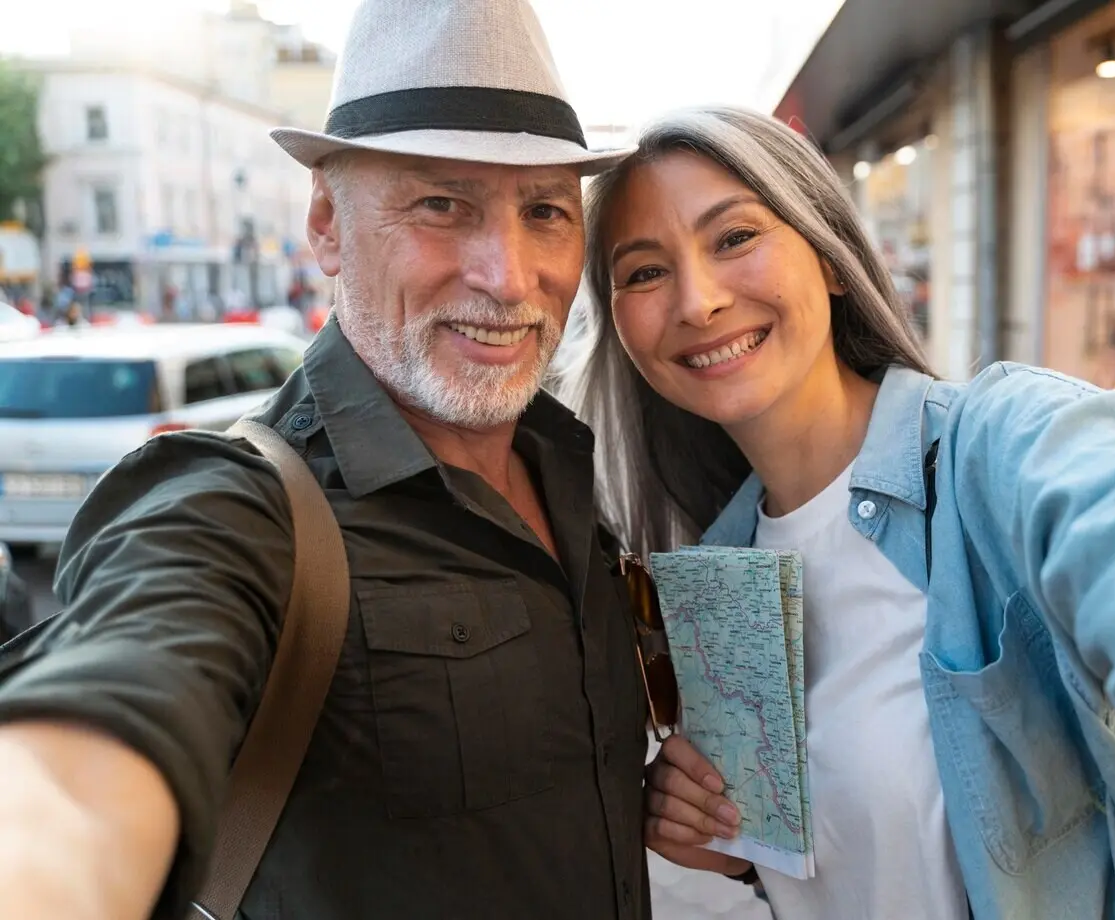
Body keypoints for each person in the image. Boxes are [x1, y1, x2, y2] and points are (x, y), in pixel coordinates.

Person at [560, 105, 1115, 919]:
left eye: (735, 236)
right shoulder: (717, 575)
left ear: (832, 258)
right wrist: (740, 845)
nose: (698, 300)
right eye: (644, 272)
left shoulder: (993, 444)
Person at [0, 3, 652, 919]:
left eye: (544, 210)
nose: (508, 276)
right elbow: (103, 728)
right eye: (441, 205)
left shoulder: (573, 462)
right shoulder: (241, 508)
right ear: (326, 223)